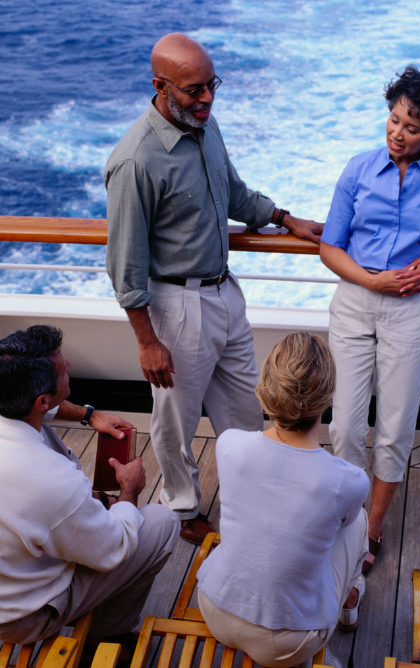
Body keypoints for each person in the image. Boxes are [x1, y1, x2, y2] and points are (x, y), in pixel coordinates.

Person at [104, 32, 323, 545]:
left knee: (246, 408)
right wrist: (146, 341)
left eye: (211, 86)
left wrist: (284, 217)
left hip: (224, 293)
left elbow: (235, 192)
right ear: (159, 87)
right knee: (176, 420)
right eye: (192, 90)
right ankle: (181, 511)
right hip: (176, 307)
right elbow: (124, 262)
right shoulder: (135, 160)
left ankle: (251, 494)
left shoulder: (204, 124)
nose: (206, 99)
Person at [320, 63, 420, 574]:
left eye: (412, 128)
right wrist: (372, 281)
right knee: (346, 425)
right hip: (355, 300)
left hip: (411, 310)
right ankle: (346, 518)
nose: (397, 133)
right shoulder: (357, 168)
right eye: (393, 121)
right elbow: (330, 246)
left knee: (394, 429)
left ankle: (371, 527)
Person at [0, 325, 179, 655]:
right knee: (162, 523)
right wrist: (129, 490)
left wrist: (88, 415)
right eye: (62, 366)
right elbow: (113, 548)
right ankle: (108, 637)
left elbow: (47, 407)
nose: (69, 365)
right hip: (21, 616)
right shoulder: (50, 480)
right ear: (40, 399)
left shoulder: (11, 401)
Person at [196, 333, 370, 668]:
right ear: (329, 399)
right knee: (356, 521)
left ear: (266, 388)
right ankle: (347, 603)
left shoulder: (230, 444)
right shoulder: (347, 480)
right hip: (287, 642)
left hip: (214, 606)